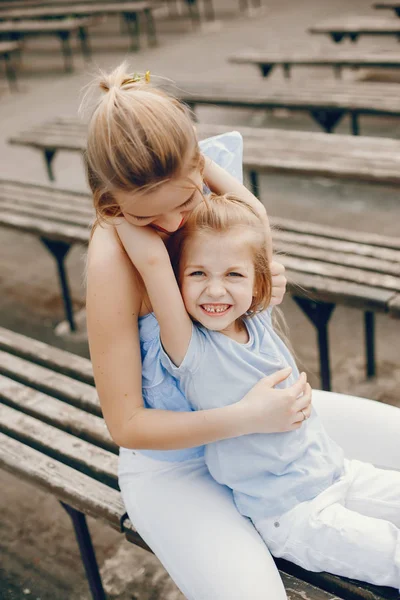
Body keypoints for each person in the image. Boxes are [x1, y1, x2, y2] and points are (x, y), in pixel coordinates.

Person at [85, 63, 400, 599]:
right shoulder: (115, 259)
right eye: (146, 219)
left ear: (198, 166)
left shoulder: (206, 195)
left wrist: (262, 272)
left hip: (272, 432)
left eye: (184, 202)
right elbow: (128, 424)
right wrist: (247, 417)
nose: (170, 227)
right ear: (113, 206)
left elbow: (251, 222)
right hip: (182, 462)